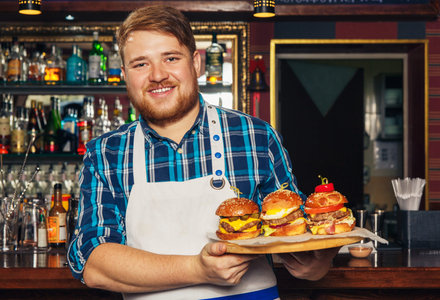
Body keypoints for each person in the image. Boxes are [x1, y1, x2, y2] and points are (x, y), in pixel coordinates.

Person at [67, 5, 339, 299]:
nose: (157, 75)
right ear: (124, 74)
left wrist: (317, 261)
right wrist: (198, 269)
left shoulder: (256, 137)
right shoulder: (106, 153)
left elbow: (293, 235)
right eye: (140, 64)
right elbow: (93, 264)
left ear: (195, 64)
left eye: (171, 58)